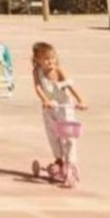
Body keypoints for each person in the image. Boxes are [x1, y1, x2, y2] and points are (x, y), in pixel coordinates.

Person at [32, 41, 88, 187]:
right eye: (45, 59)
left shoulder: (58, 71)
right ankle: (59, 161)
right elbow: (38, 88)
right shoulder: (36, 72)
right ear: (37, 59)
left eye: (52, 58)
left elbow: (70, 86)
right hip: (50, 108)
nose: (50, 62)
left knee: (68, 138)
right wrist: (45, 100)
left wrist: (80, 100)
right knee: (53, 136)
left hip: (65, 108)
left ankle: (71, 166)